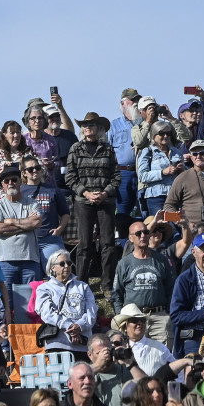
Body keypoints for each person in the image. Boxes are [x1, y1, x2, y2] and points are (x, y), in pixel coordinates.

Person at [64, 112, 121, 289]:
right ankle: (81, 283)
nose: (87, 127)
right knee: (84, 244)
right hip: (83, 201)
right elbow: (70, 177)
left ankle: (107, 285)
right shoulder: (75, 148)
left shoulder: (108, 149)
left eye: (91, 125)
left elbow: (116, 176)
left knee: (108, 244)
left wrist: (105, 193)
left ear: (98, 128)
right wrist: (86, 193)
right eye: (84, 125)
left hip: (106, 201)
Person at [111, 218, 175, 344]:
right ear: (130, 238)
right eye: (138, 233)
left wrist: (169, 313)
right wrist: (122, 316)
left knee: (163, 359)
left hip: (160, 317)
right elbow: (116, 293)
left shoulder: (162, 260)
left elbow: (171, 288)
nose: (143, 236)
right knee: (136, 358)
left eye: (145, 232)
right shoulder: (124, 263)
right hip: (134, 318)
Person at [35, 249, 97, 354]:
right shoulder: (44, 288)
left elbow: (92, 311)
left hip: (82, 342)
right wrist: (69, 326)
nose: (67, 266)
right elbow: (46, 313)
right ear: (52, 267)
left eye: (69, 263)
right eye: (62, 263)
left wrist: (80, 326)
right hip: (57, 343)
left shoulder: (83, 286)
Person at [0, 165, 44, 284]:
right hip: (5, 261)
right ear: (2, 185)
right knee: (7, 301)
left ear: (20, 182)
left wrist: (12, 221)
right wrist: (27, 226)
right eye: (6, 181)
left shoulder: (32, 204)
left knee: (32, 301)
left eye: (14, 180)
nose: (10, 183)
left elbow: (36, 222)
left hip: (30, 260)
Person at [136, 121, 187, 217]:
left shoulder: (176, 151)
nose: (165, 136)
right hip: (157, 197)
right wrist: (163, 172)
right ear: (154, 135)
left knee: (176, 225)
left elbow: (184, 177)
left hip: (175, 196)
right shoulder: (147, 152)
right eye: (161, 133)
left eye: (168, 133)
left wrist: (181, 170)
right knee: (163, 225)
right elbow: (142, 176)